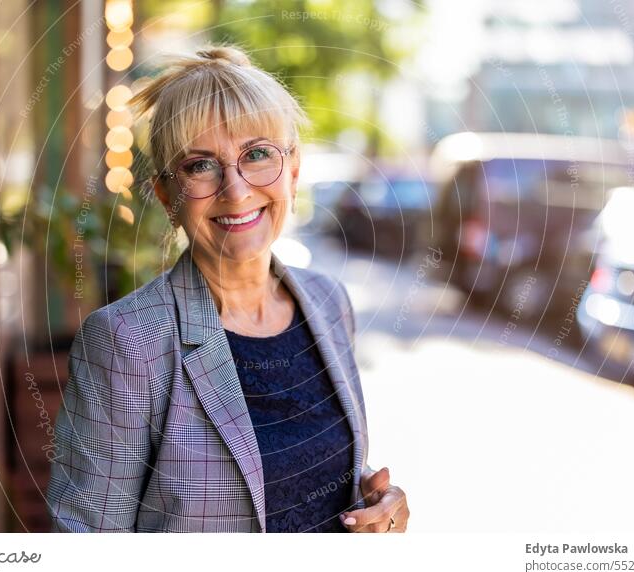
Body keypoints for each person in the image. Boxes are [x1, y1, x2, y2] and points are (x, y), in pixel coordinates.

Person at [46, 44, 409, 533]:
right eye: (201, 165)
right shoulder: (126, 341)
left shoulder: (328, 303)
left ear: (294, 171)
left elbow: (288, 469)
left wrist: (376, 501)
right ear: (166, 195)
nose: (236, 190)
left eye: (257, 155)